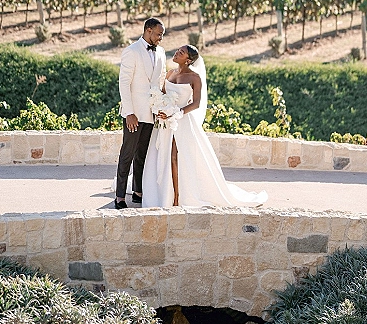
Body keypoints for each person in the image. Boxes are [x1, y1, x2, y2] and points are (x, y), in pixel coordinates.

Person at [142, 44, 268, 209]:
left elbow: (196, 104)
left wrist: (176, 113)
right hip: (165, 122)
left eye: (181, 53)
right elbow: (163, 96)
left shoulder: (195, 78)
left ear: (187, 60)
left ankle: (177, 197)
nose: (176, 53)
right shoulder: (170, 73)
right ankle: (165, 192)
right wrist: (160, 109)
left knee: (175, 156)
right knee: (164, 157)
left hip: (182, 121)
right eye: (178, 50)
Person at [115, 17, 166, 209]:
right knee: (127, 153)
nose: (161, 38)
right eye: (159, 34)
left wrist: (162, 107)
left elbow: (160, 81)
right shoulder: (131, 51)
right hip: (134, 113)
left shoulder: (161, 52)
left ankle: (138, 191)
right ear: (148, 30)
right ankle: (119, 196)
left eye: (162, 35)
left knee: (142, 154)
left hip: (151, 113)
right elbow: (124, 83)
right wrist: (129, 112)